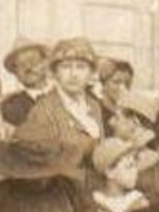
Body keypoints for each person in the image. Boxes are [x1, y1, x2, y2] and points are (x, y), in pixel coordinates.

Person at [17, 37, 107, 165]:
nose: (73, 74)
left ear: (91, 73)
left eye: (81, 67)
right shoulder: (43, 109)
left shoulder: (94, 105)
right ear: (55, 72)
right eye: (65, 67)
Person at [90, 138, 150, 212]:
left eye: (135, 166)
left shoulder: (140, 203)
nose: (135, 171)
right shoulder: (93, 204)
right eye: (129, 167)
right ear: (109, 172)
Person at [0, 38, 51, 126]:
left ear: (45, 64)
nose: (28, 68)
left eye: (33, 61)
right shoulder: (10, 107)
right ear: (15, 73)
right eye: (21, 65)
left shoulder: (67, 96)